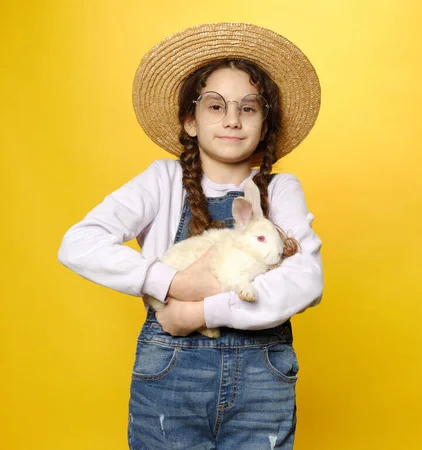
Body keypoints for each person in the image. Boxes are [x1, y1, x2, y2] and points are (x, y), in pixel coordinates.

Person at [58, 22, 323, 449]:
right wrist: (174, 283)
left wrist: (200, 312)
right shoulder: (162, 181)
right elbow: (78, 243)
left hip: (263, 385)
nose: (233, 120)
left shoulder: (280, 190)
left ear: (265, 124)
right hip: (170, 380)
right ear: (191, 121)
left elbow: (306, 282)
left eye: (249, 108)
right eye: (216, 106)